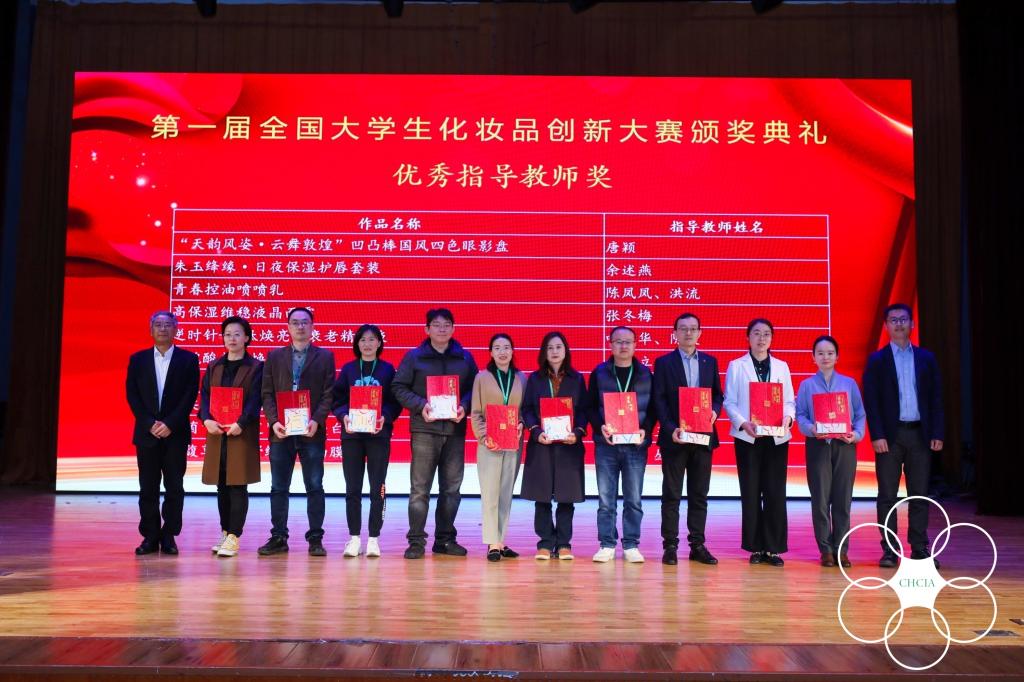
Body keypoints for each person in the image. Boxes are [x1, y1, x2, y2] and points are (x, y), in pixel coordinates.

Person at [392, 308, 479, 559]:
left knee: (451, 489)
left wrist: (465, 406)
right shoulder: (414, 357)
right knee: (420, 489)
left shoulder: (465, 357)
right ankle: (416, 542)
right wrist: (421, 406)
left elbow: (475, 388)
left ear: (453, 328)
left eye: (447, 324)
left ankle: (445, 540)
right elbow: (398, 387)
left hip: (454, 431)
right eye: (436, 325)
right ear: (426, 329)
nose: (442, 329)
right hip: (424, 430)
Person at [862, 303, 944, 568]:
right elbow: (871, 401)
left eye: (903, 319)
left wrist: (937, 432)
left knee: (919, 493)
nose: (899, 324)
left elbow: (936, 398)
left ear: (912, 324)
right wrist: (877, 434)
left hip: (920, 434)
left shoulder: (926, 358)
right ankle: (890, 549)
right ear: (886, 326)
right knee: (887, 494)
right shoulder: (877, 360)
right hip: (890, 436)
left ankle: (919, 547)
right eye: (893, 320)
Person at [258, 307, 336, 557]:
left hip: (311, 431)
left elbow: (329, 393)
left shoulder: (325, 356)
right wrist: (273, 422)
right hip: (281, 431)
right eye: (295, 322)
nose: (300, 326)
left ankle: (316, 538)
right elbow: (266, 393)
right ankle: (278, 537)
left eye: (305, 322)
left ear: (312, 326)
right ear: (288, 327)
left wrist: (317, 420)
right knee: (279, 486)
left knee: (314, 485)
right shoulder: (274, 356)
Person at [652, 312, 724, 566]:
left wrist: (714, 411)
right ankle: (670, 545)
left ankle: (697, 545)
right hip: (675, 438)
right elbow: (659, 399)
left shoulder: (709, 362)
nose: (688, 333)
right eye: (683, 328)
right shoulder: (663, 363)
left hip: (703, 437)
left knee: (699, 494)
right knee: (671, 494)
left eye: (693, 328)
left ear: (700, 333)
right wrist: (671, 428)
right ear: (675, 333)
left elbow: (718, 395)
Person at [125, 311, 199, 556]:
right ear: (151, 330)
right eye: (158, 325)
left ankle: (169, 535)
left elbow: (190, 395)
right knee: (148, 487)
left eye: (168, 325)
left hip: (175, 434)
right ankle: (150, 535)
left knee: (174, 487)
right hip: (147, 434)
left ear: (176, 329)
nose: (163, 329)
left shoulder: (189, 359)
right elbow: (132, 395)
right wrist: (149, 423)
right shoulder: (138, 359)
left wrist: (170, 423)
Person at [723, 318, 796, 567]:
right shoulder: (736, 366)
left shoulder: (782, 366)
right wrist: (743, 423)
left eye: (766, 334)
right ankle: (755, 547)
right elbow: (730, 402)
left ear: (772, 338)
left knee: (775, 492)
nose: (761, 338)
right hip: (748, 437)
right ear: (748, 337)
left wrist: (788, 418)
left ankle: (773, 549)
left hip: (777, 438)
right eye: (756, 333)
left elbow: (789, 401)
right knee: (751, 492)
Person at [794, 335, 866, 568]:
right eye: (820, 353)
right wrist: (810, 429)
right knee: (820, 500)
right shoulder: (806, 385)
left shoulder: (849, 384)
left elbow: (860, 414)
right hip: (818, 445)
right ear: (813, 357)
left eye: (830, 353)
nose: (825, 357)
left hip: (844, 445)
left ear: (837, 357)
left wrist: (856, 435)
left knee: (843, 499)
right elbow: (801, 414)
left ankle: (842, 549)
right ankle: (825, 550)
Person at [331, 324, 402, 558]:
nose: (367, 344)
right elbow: (337, 400)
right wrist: (343, 416)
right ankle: (354, 538)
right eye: (363, 340)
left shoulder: (387, 370)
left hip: (378, 436)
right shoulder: (349, 369)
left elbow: (395, 401)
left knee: (377, 487)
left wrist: (385, 416)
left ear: (379, 343)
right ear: (357, 344)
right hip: (352, 436)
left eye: (372, 339)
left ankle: (373, 538)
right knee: (352, 488)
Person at [587, 326, 656, 563]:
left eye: (628, 342)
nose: (623, 346)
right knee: (606, 500)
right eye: (618, 341)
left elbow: (653, 409)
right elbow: (589, 407)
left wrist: (645, 429)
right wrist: (600, 427)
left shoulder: (646, 374)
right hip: (606, 445)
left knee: (633, 499)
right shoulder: (599, 373)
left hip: (636, 447)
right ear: (610, 344)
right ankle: (607, 544)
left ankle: (631, 545)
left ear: (636, 345)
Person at [198, 316, 264, 558]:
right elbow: (205, 396)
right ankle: (225, 532)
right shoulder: (214, 366)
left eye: (237, 334)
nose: (232, 339)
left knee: (237, 484)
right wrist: (206, 419)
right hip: (217, 433)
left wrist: (241, 422)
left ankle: (235, 536)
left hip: (240, 432)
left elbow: (256, 399)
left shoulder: (256, 367)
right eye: (227, 334)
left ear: (247, 337)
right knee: (221, 485)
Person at [520, 331, 588, 560]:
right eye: (550, 348)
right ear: (544, 352)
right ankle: (545, 543)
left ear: (565, 351)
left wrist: (577, 433)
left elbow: (584, 411)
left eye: (559, 347)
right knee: (542, 497)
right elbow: (527, 409)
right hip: (542, 444)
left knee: (566, 496)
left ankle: (564, 543)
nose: (555, 351)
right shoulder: (535, 379)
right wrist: (536, 432)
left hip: (569, 445)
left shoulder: (577, 379)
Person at [470, 333, 526, 562]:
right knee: (490, 493)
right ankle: (492, 542)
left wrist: (521, 423)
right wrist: (484, 437)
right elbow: (476, 412)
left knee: (505, 492)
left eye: (506, 347)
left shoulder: (521, 378)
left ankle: (500, 541)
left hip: (513, 442)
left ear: (512, 351)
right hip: (489, 443)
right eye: (497, 347)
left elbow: (524, 410)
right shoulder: (481, 378)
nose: (502, 352)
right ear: (490, 352)